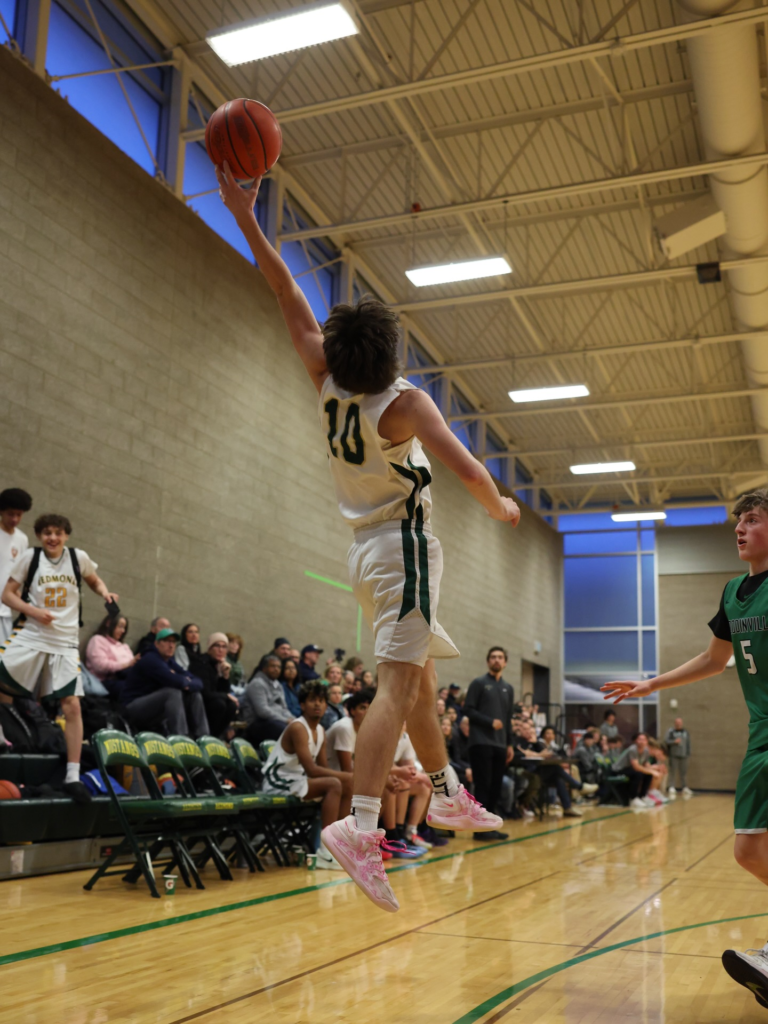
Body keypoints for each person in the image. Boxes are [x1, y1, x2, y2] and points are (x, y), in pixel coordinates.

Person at [217, 162, 519, 914]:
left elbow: (286, 291)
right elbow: (471, 471)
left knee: (414, 682)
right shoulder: (405, 403)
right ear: (392, 354)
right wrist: (503, 507)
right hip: (405, 548)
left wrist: (246, 216)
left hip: (363, 552)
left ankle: (448, 793)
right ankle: (357, 827)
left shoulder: (324, 376)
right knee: (394, 687)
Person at [602, 488, 768, 1004]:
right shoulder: (734, 593)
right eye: (738, 521)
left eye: (754, 519)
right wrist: (650, 685)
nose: (740, 529)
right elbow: (713, 660)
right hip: (760, 733)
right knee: (749, 850)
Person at [0, 514, 119, 801]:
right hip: (32, 633)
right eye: (46, 533)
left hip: (65, 641)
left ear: (66, 535)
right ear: (40, 535)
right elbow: (7, 595)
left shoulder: (79, 558)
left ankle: (72, 775)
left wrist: (105, 592)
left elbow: (93, 580)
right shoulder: (31, 557)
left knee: (73, 707)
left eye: (57, 533)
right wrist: (34, 612)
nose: (52, 537)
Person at [261, 681, 353, 869]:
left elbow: (323, 768)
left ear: (326, 705)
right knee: (336, 784)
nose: (317, 704)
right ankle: (325, 851)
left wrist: (348, 779)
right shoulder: (298, 728)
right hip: (278, 780)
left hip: (297, 779)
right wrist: (348, 776)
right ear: (302, 705)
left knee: (343, 785)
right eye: (312, 700)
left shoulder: (320, 731)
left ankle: (340, 845)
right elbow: (312, 770)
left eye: (321, 700)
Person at [463, 647, 515, 841]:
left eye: (500, 657)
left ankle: (490, 826)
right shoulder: (478, 683)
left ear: (505, 662)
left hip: (500, 745)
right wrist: (489, 722)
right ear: (487, 661)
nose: (496, 660)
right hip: (480, 742)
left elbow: (508, 718)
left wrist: (509, 743)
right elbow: (468, 709)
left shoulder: (508, 688)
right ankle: (480, 829)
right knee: (483, 786)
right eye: (493, 657)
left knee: (495, 787)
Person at [121, 628, 209, 738]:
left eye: (173, 642)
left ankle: (203, 737)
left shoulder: (169, 661)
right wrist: (183, 680)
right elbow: (175, 681)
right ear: (157, 644)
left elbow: (198, 682)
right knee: (172, 693)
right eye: (167, 641)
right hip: (133, 708)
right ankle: (180, 738)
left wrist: (185, 682)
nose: (171, 645)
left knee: (194, 694)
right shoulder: (150, 659)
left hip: (154, 708)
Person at [0, 488, 32, 646]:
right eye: (10, 514)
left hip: (4, 612)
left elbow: (14, 580)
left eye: (19, 515)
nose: (14, 519)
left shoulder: (22, 540)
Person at [242, 653, 294, 744]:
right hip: (257, 724)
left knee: (300, 728)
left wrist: (295, 720)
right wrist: (285, 720)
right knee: (286, 730)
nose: (276, 669)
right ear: (264, 668)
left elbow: (284, 709)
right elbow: (263, 712)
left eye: (279, 667)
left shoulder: (278, 685)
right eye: (273, 666)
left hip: (276, 721)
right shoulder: (257, 684)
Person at [197, 633, 239, 738]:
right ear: (210, 648)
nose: (221, 650)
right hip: (198, 702)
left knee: (231, 706)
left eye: (224, 647)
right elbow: (205, 693)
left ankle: (214, 737)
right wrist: (226, 696)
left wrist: (225, 676)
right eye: (217, 646)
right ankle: (206, 737)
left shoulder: (219, 664)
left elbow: (224, 691)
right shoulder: (201, 662)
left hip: (212, 701)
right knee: (219, 704)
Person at [85, 614, 138, 692]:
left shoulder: (124, 646)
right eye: (120, 626)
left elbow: (132, 664)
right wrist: (126, 665)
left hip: (126, 675)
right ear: (109, 624)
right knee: (132, 687)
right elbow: (100, 666)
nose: (123, 631)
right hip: (105, 681)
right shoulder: (97, 640)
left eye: (124, 628)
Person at [325, 688, 374, 773]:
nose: (368, 712)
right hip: (330, 778)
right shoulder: (345, 727)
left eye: (371, 708)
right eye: (363, 708)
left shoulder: (367, 731)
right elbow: (347, 770)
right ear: (353, 711)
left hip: (343, 777)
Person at [610, 732, 664, 808]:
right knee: (638, 774)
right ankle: (633, 798)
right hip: (618, 770)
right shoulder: (633, 749)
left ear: (647, 741)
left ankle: (643, 796)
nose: (642, 741)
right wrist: (652, 771)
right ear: (636, 741)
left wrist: (653, 769)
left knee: (648, 774)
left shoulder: (645, 751)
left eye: (644, 740)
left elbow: (645, 764)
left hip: (629, 769)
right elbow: (636, 767)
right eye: (640, 739)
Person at [665, 716, 692, 798]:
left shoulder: (685, 732)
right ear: (675, 723)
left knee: (683, 772)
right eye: (677, 722)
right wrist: (674, 741)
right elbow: (666, 740)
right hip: (674, 755)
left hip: (684, 755)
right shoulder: (671, 731)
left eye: (680, 722)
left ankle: (684, 787)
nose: (678, 724)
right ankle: (671, 787)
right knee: (673, 771)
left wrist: (688, 752)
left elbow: (688, 743)